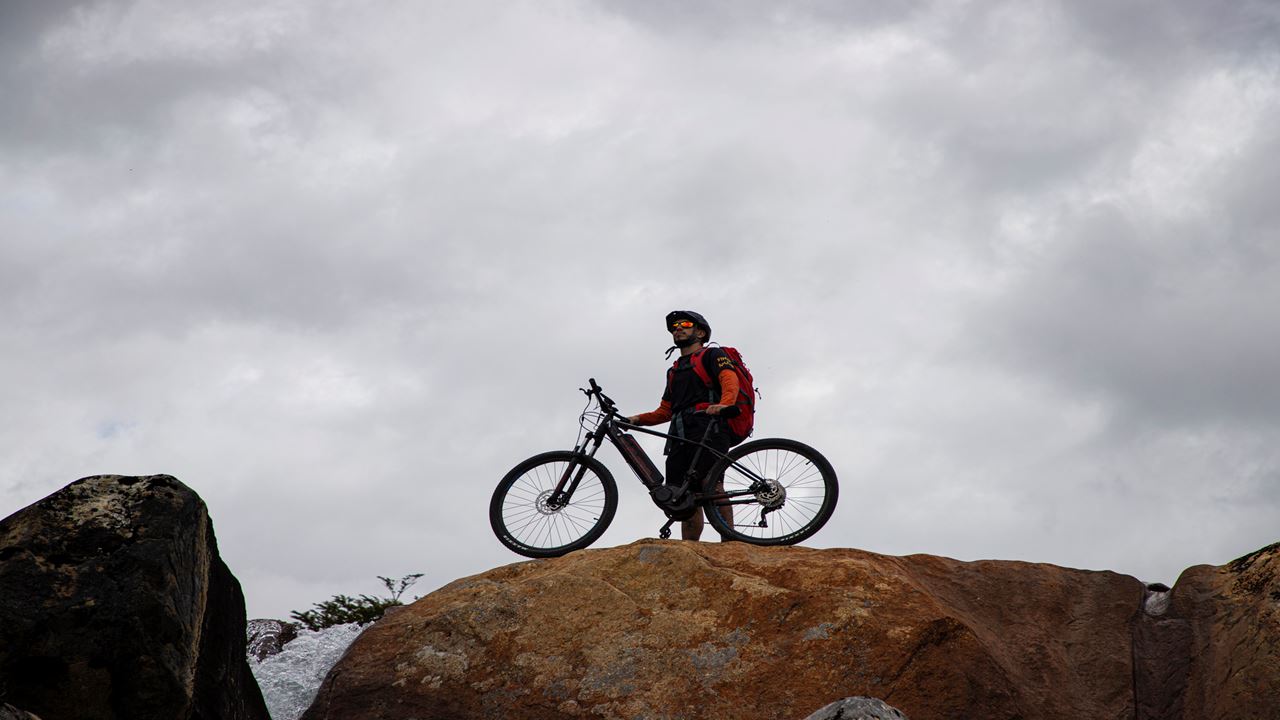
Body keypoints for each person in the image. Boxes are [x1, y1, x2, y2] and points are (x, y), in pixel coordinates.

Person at [625, 310, 738, 541]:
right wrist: (636, 419)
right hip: (680, 434)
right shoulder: (674, 370)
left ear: (700, 332)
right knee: (684, 497)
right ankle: (689, 548)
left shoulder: (712, 355)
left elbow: (729, 378)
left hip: (710, 426)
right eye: (674, 326)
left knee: (711, 484)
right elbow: (665, 411)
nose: (678, 328)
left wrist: (724, 404)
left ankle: (731, 541)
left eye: (685, 324)